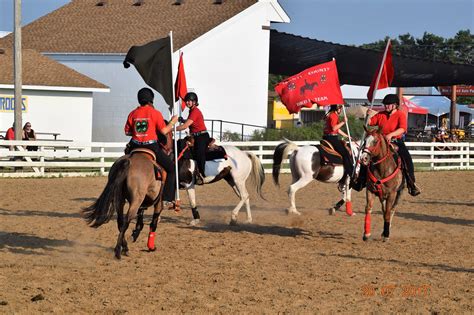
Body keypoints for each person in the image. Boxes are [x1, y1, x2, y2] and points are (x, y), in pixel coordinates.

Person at [124, 87, 179, 206]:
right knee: (171, 169)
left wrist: (139, 132)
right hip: (151, 147)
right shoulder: (155, 113)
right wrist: (173, 122)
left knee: (123, 165)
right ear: (151, 100)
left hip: (135, 146)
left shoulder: (132, 113)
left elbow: (127, 132)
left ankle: (122, 192)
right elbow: (164, 131)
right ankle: (167, 199)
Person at [364, 94, 421, 196]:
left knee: (407, 160)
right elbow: (369, 122)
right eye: (385, 104)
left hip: (396, 141)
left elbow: (402, 128)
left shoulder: (400, 115)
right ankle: (361, 180)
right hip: (381, 143)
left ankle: (411, 183)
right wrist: (367, 115)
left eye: (389, 105)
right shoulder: (381, 115)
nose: (386, 106)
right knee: (366, 155)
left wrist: (391, 135)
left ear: (395, 105)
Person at [175, 92, 209, 185]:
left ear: (194, 102)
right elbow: (190, 121)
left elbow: (185, 126)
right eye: (186, 101)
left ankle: (201, 174)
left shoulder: (195, 111)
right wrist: (183, 120)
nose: (187, 103)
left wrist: (171, 129)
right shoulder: (192, 111)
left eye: (189, 101)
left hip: (201, 136)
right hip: (195, 136)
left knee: (199, 153)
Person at [323, 104, 353, 188]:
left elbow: (337, 129)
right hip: (332, 138)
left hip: (326, 137)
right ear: (337, 108)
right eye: (340, 108)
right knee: (346, 153)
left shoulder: (330, 114)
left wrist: (347, 136)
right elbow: (333, 128)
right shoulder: (334, 115)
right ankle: (349, 173)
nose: (341, 110)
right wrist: (344, 122)